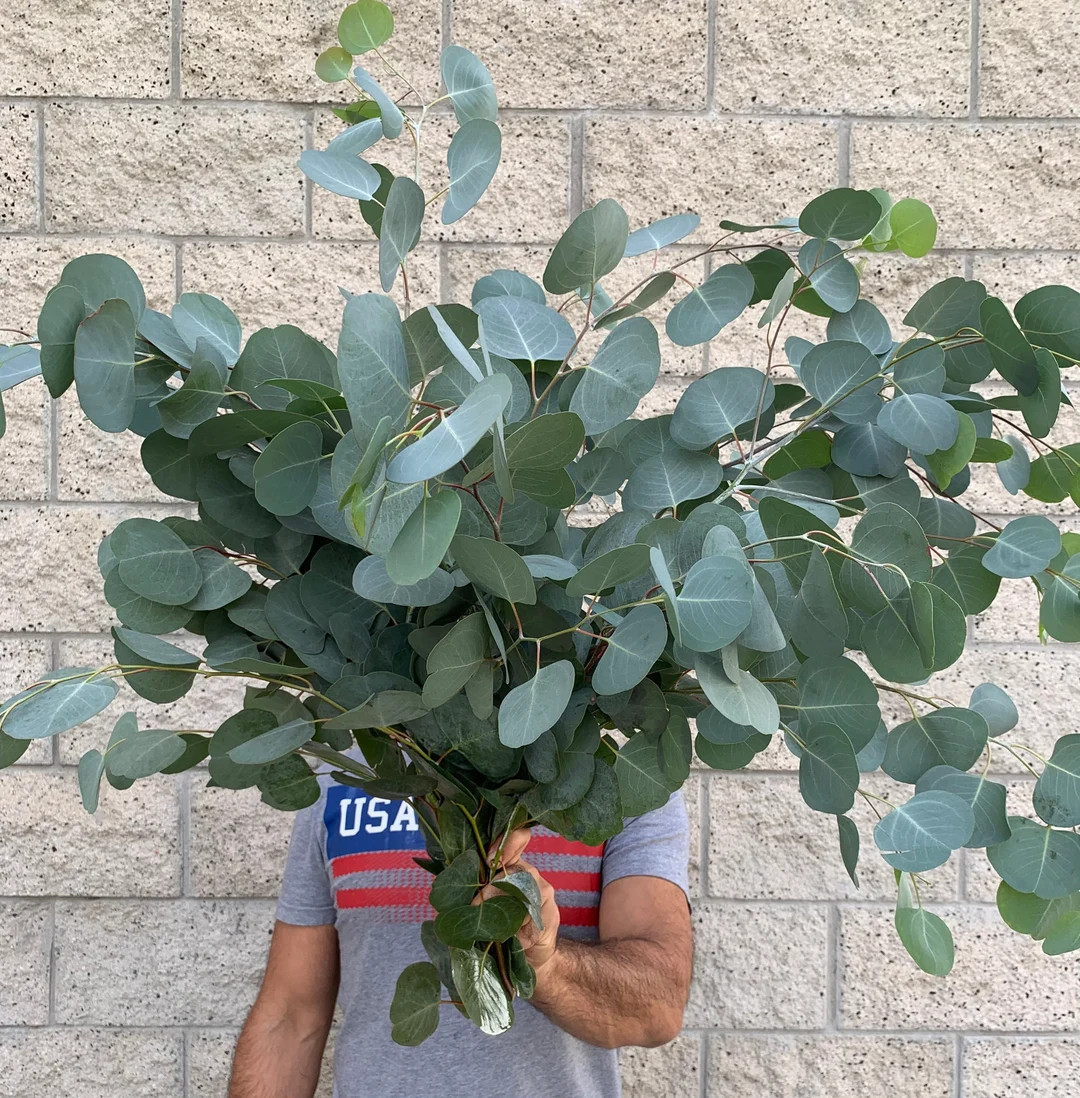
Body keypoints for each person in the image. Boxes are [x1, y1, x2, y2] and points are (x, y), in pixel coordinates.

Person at [228, 772, 692, 1098]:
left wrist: (543, 963)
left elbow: (657, 1006)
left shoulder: (625, 779)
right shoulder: (341, 776)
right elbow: (291, 1017)